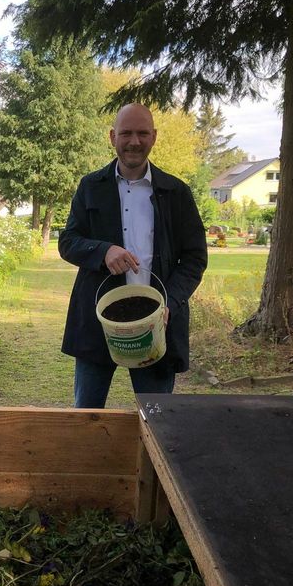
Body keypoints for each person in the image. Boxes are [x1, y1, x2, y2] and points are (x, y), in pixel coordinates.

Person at [60, 104, 207, 407]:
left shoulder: (177, 192)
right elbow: (68, 241)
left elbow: (195, 258)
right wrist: (103, 251)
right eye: (126, 133)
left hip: (156, 322)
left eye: (142, 133)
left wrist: (169, 302)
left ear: (154, 136)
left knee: (156, 418)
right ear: (112, 137)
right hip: (98, 320)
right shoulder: (90, 186)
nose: (134, 142)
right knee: (86, 415)